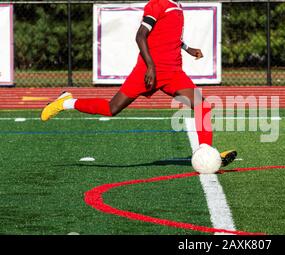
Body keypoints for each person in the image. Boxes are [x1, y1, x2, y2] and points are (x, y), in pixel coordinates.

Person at [40, 0, 236, 166]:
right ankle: (66, 102)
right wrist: (150, 66)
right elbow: (140, 35)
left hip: (172, 71)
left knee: (203, 105)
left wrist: (188, 48)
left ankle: (207, 152)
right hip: (147, 70)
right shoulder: (156, 4)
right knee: (112, 108)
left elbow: (169, 35)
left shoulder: (177, 5)